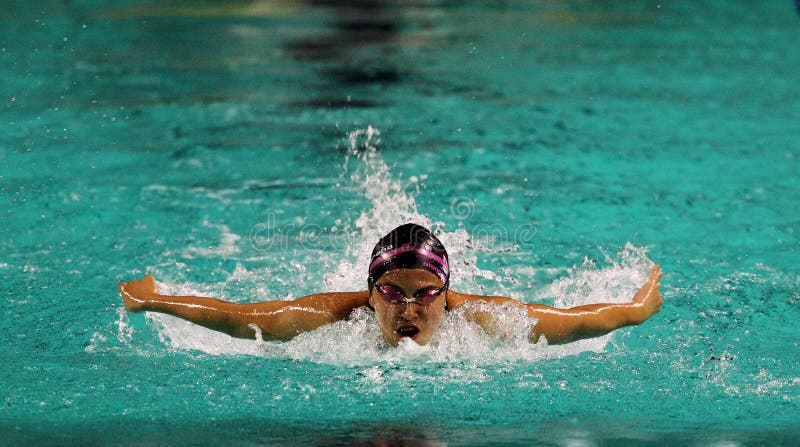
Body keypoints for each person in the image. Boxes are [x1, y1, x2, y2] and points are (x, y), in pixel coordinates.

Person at [119, 223, 663, 346]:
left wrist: (636, 308)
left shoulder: (485, 319)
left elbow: (576, 320)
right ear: (370, 292)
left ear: (447, 295)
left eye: (426, 294)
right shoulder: (333, 316)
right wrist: (157, 300)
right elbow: (242, 317)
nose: (409, 308)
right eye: (392, 292)